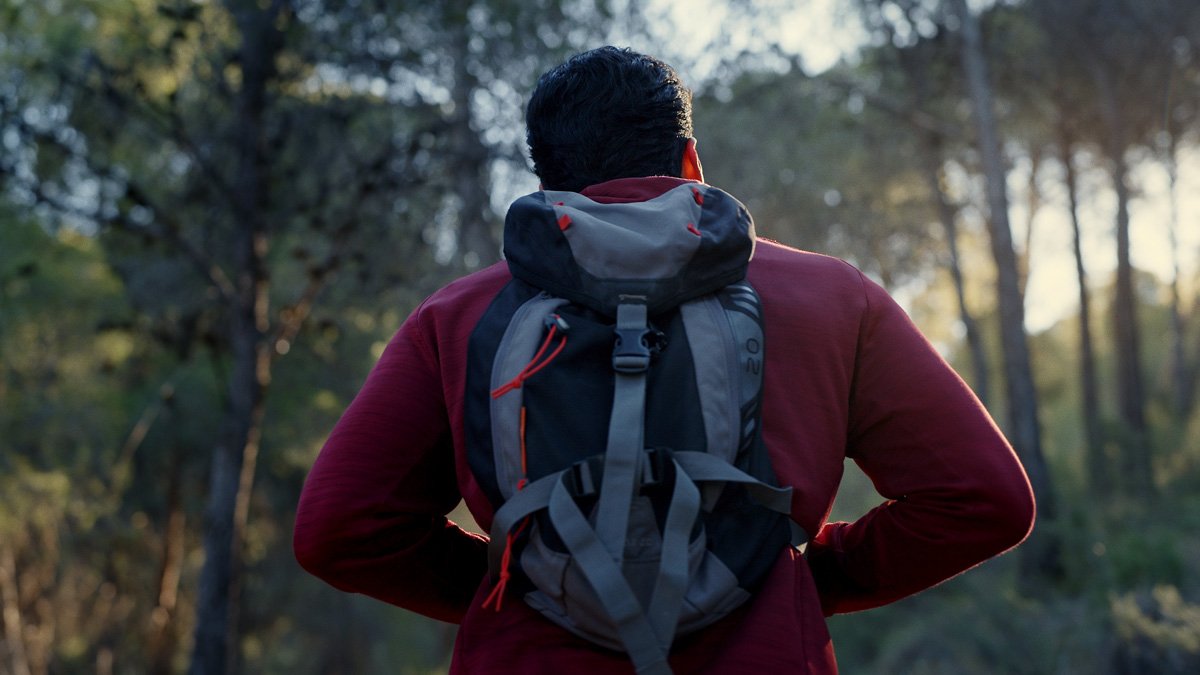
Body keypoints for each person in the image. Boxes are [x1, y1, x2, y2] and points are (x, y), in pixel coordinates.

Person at [294, 46, 1035, 673]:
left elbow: (338, 528)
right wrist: (805, 579)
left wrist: (517, 584)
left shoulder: (457, 315)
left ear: (546, 183)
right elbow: (984, 498)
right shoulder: (831, 297)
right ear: (690, 160)